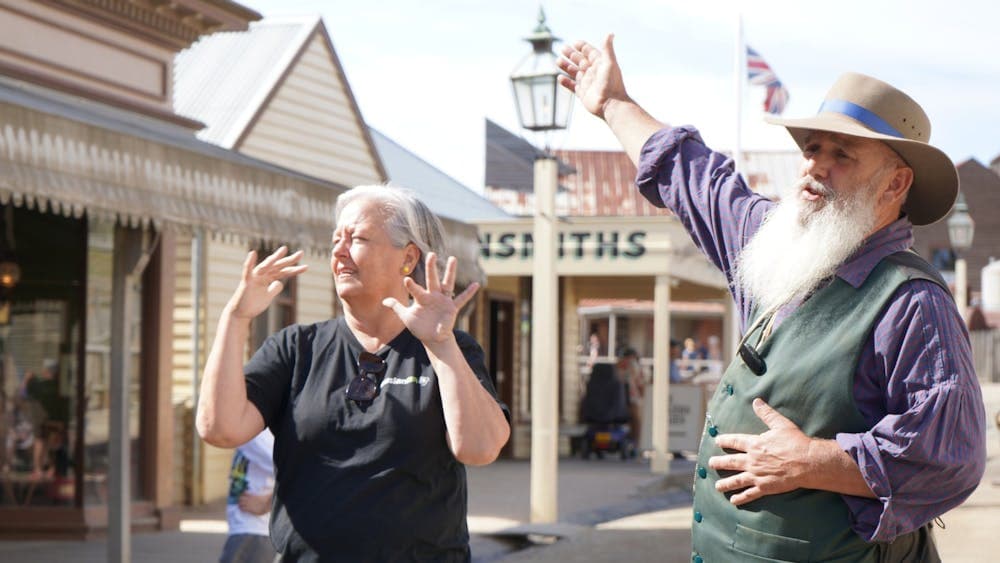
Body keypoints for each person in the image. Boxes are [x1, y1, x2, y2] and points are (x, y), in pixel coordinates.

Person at [559, 35, 986, 561]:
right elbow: (694, 178)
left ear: (896, 183)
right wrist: (614, 104)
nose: (814, 167)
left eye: (842, 155)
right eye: (811, 149)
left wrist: (810, 460)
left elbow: (949, 459)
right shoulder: (778, 243)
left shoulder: (914, 305)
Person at [196, 185, 511, 561]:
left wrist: (442, 346)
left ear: (408, 258)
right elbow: (220, 429)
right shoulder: (296, 349)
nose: (339, 252)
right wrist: (235, 319)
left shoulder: (449, 349)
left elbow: (479, 449)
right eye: (335, 240)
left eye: (358, 238)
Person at [220, 429, 276, 563]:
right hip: (248, 533)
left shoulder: (255, 437)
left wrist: (269, 503)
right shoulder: (249, 436)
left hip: (253, 533)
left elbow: (296, 474)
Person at [615, 347, 644, 450]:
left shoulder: (616, 366)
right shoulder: (634, 365)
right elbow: (640, 385)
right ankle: (636, 445)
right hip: (630, 399)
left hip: (612, 402)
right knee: (636, 420)